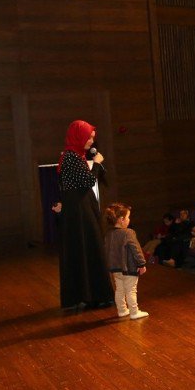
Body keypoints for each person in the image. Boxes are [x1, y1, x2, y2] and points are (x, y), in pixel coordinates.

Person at [57, 120, 113, 309]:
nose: (91, 142)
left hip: (79, 208)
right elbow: (88, 180)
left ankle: (89, 294)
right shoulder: (72, 157)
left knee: (85, 249)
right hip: (80, 211)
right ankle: (94, 295)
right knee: (90, 247)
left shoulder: (73, 156)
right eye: (89, 138)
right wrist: (96, 164)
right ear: (79, 136)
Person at [103, 202, 148, 319]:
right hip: (129, 268)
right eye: (128, 217)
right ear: (121, 219)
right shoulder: (129, 232)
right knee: (131, 290)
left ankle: (122, 310)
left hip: (115, 269)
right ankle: (134, 312)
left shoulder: (109, 234)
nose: (129, 220)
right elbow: (136, 249)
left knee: (119, 290)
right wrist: (141, 263)